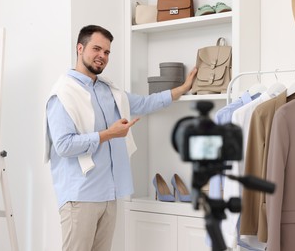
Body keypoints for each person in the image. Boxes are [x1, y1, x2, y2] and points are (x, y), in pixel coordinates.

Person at [45, 24, 197, 251]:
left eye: (106, 52)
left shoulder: (110, 91)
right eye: (96, 49)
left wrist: (183, 88)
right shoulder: (63, 94)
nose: (102, 56)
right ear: (79, 48)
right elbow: (63, 146)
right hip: (80, 197)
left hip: (109, 194)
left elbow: (146, 103)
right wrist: (108, 134)